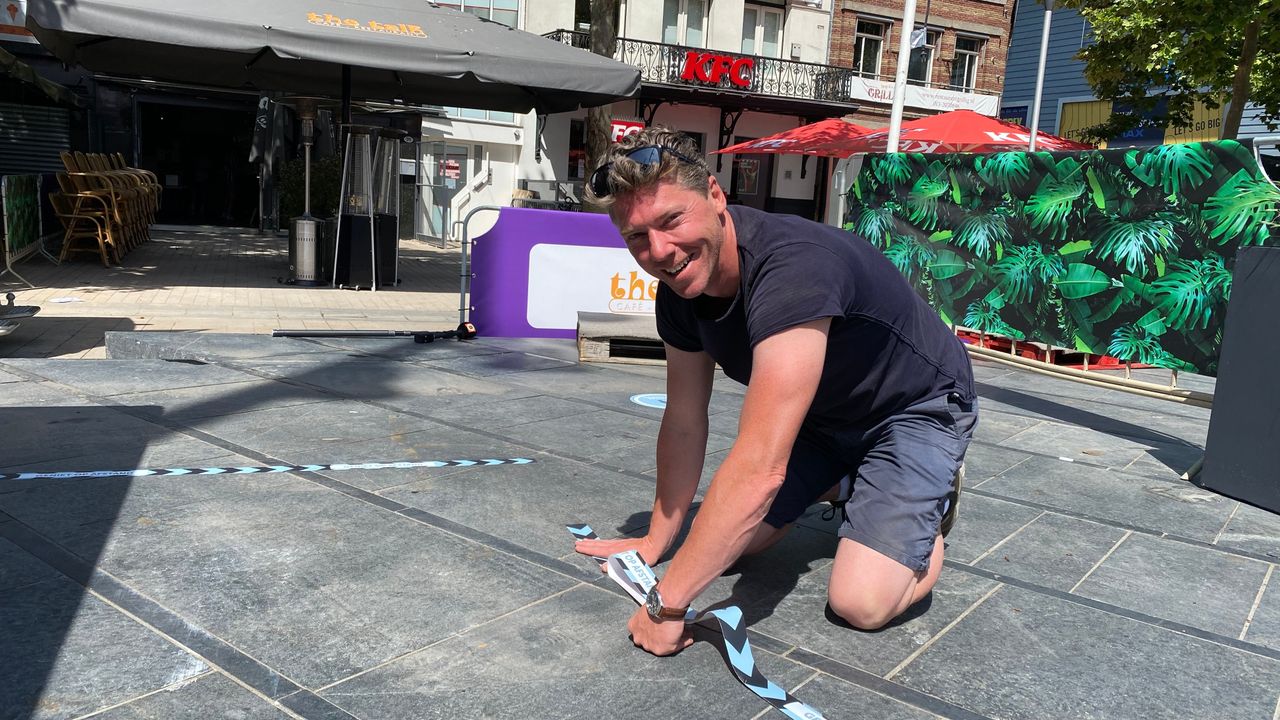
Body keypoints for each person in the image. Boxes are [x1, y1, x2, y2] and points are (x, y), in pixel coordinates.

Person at [573, 127, 978, 656]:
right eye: (636, 237)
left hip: (913, 410)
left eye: (672, 220)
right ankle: (848, 483)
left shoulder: (793, 266)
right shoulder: (678, 289)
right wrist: (655, 542)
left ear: (716, 196)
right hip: (823, 418)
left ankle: (930, 504)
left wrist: (666, 606)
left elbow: (761, 466)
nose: (661, 251)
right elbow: (684, 419)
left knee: (861, 602)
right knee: (735, 547)